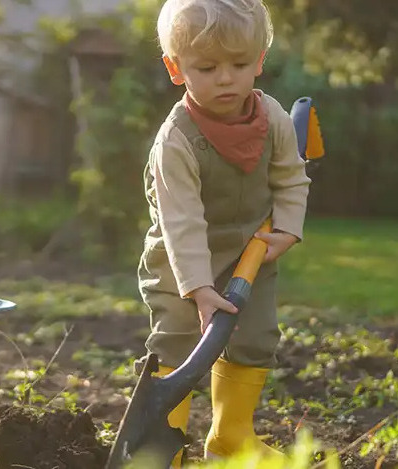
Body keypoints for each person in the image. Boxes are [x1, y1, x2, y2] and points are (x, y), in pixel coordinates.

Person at [137, 0, 310, 464]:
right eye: (207, 67)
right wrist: (197, 287)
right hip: (182, 262)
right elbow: (181, 221)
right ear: (176, 69)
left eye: (238, 64)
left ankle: (231, 438)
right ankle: (162, 447)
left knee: (253, 339)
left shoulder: (272, 117)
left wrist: (288, 230)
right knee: (177, 341)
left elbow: (291, 178)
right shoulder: (175, 141)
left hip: (251, 252)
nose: (226, 78)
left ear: (259, 61)